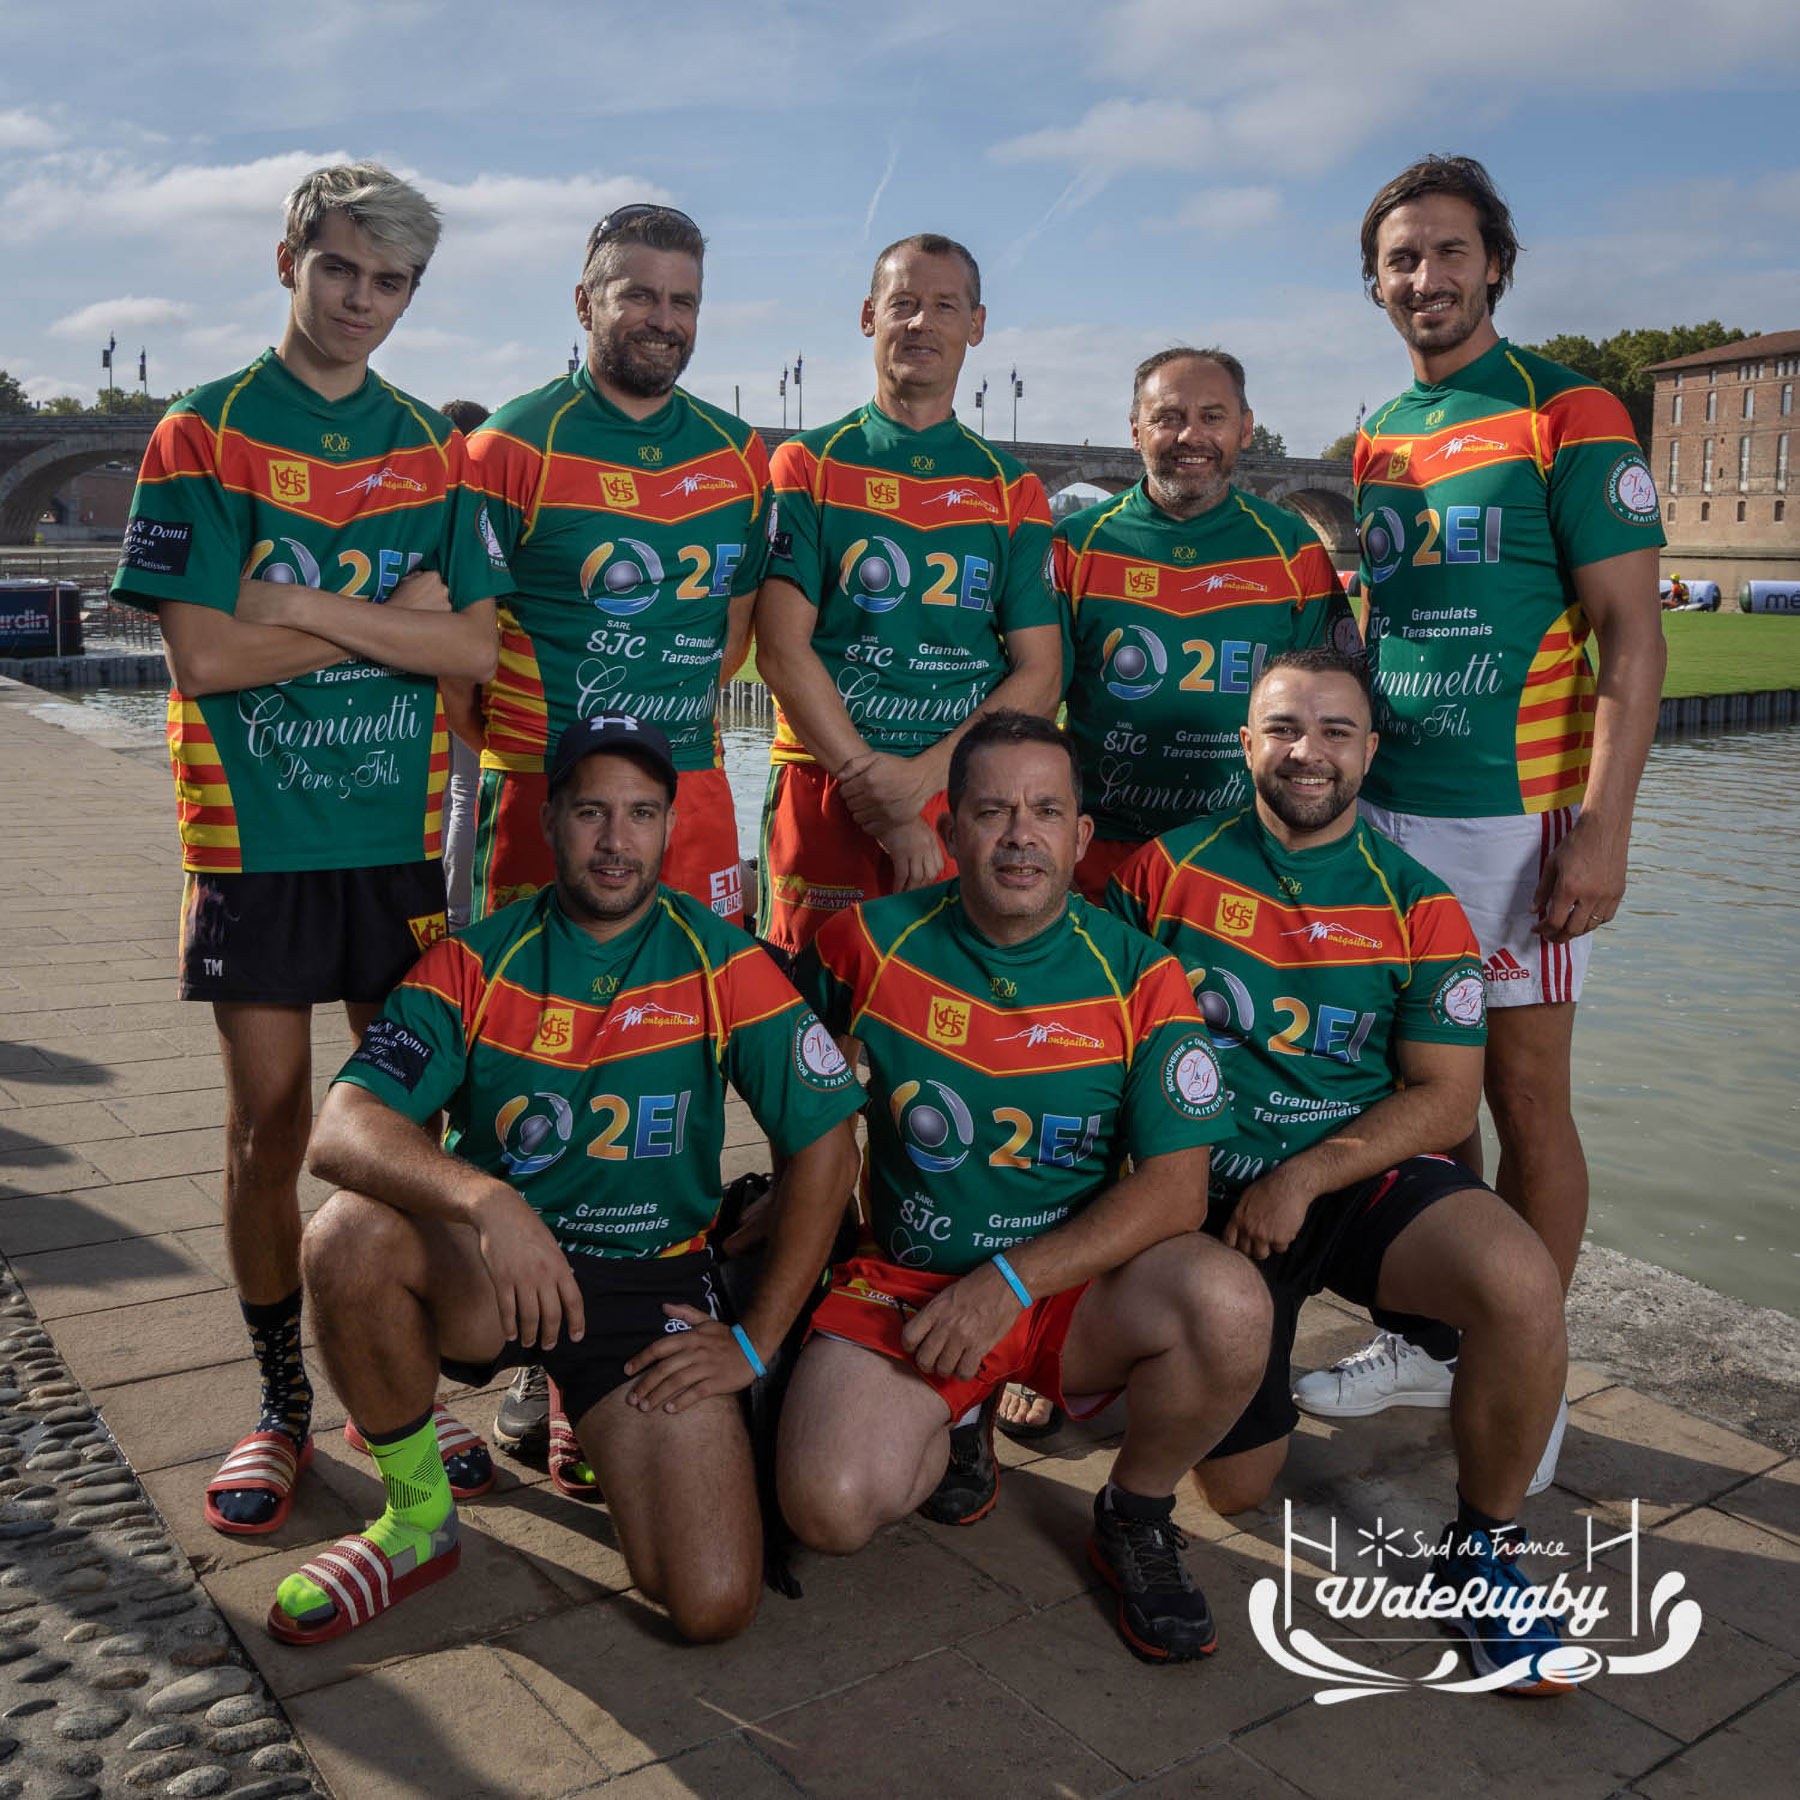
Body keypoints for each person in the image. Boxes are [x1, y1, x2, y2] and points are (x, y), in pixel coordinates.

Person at [270, 715, 864, 1646]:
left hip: (650, 1290)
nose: (616, 840)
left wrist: (753, 1343)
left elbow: (830, 1147)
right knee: (348, 1235)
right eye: (591, 811)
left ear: (672, 826)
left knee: (712, 1604)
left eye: (641, 814)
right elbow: (343, 1127)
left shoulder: (724, 961)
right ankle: (416, 1515)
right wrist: (487, 1200)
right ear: (548, 822)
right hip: (499, 1269)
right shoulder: (479, 959)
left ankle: (598, 1417)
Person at [110, 162, 509, 1537]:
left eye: (388, 281)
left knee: (396, 1127)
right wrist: (370, 612)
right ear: (290, 259)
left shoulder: (429, 450)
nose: (360, 300)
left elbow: (470, 646)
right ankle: (281, 1398)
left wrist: (290, 596)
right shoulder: (200, 433)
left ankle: (396, 1388)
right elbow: (205, 655)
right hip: (255, 834)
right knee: (271, 1127)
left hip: (392, 839)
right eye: (339, 268)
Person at [1109, 649, 1572, 1692]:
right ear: (1246, 743)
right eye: (1282, 728)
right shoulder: (1165, 873)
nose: (1305, 752)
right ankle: (1154, 1351)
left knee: (1521, 1282)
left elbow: (1447, 1099)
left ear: (1370, 750)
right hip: (1213, 1197)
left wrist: (1307, 1175)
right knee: (1234, 1491)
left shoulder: (1420, 903)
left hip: (1346, 1177)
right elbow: (1101, 1060)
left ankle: (1486, 1550)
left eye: (1332, 732)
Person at [776, 711, 1270, 1665]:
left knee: (1231, 1304)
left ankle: (1135, 1511)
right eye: (991, 809)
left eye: (1046, 811)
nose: (1018, 834)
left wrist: (1007, 1283)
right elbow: (794, 1099)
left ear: (1080, 838)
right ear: (950, 827)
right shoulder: (859, 945)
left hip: (1063, 1292)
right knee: (830, 1510)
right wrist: (811, 1153)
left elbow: (1177, 1193)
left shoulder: (1142, 974)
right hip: (909, 1290)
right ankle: (956, 1413)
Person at [1303, 155, 1665, 1439]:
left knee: (1524, 1102)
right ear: (1377, 284)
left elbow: (1632, 638)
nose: (1426, 278)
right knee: (1424, 1096)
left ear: (1495, 264)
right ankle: (1430, 1341)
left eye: (1448, 252)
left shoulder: (1572, 411)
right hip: (1392, 816)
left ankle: (1527, 1369)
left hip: (1519, 816)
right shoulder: (1380, 438)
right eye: (1401, 260)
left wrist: (1605, 830)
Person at [753, 234, 1064, 961]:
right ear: (870, 316)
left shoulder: (1012, 489)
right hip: (823, 781)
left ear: (975, 327)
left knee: (948, 1014)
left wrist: (922, 781)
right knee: (812, 1013)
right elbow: (779, 647)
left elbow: (1040, 673)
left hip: (958, 792)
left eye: (944, 306)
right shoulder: (807, 463)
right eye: (904, 304)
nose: (922, 323)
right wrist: (877, 792)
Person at [458, 205, 768, 927]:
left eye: (682, 301)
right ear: (582, 303)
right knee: (532, 1021)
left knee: (696, 1017)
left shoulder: (740, 454)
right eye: (638, 295)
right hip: (544, 784)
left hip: (689, 778)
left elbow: (734, 637)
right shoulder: (507, 448)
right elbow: (458, 662)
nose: (663, 319)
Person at [1057, 347, 1359, 903]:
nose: (1189, 436)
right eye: (1167, 418)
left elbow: (1338, 714)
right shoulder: (1074, 544)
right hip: (1099, 851)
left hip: (1241, 855)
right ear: (1135, 431)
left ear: (1245, 429)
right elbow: (1030, 700)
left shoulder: (1294, 549)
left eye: (1211, 417)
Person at [438, 397, 491, 929]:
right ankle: (459, 913)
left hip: (432, 656)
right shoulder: (477, 497)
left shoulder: (433, 491)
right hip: (473, 657)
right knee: (467, 790)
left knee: (456, 792)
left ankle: (454, 912)